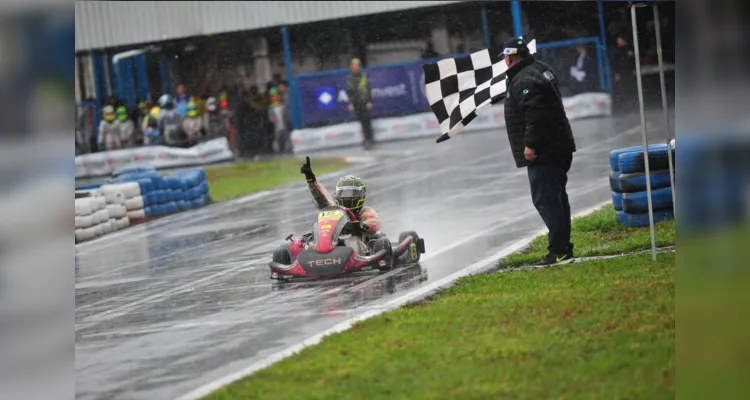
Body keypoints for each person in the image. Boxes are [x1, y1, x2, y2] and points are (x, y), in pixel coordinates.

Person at [501, 37, 577, 266]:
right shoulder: (540, 69)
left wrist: (530, 145)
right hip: (559, 145)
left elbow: (536, 114)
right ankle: (563, 247)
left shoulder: (524, 79)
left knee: (547, 200)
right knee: (556, 198)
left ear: (509, 58)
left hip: (545, 151)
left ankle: (560, 250)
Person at [300, 157, 381, 255]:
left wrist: (359, 225)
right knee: (302, 243)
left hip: (358, 248)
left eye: (351, 193)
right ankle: (315, 253)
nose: (347, 196)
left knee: (355, 240)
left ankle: (345, 254)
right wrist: (311, 180)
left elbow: (373, 223)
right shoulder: (334, 211)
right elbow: (320, 198)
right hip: (331, 245)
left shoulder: (365, 212)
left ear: (362, 195)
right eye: (343, 193)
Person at [346, 58, 374, 149]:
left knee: (366, 121)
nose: (355, 67)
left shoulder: (364, 76)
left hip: (364, 102)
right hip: (356, 103)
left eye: (356, 65)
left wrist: (369, 101)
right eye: (353, 66)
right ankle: (366, 139)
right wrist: (350, 103)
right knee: (362, 122)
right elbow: (349, 91)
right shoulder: (350, 78)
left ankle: (369, 140)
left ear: (359, 66)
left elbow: (369, 89)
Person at [609, 32, 636, 115]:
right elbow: (613, 63)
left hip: (629, 73)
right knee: (623, 91)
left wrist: (634, 69)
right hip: (621, 74)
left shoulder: (629, 49)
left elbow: (633, 60)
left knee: (631, 90)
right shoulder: (616, 51)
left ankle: (633, 107)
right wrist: (615, 73)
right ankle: (625, 109)